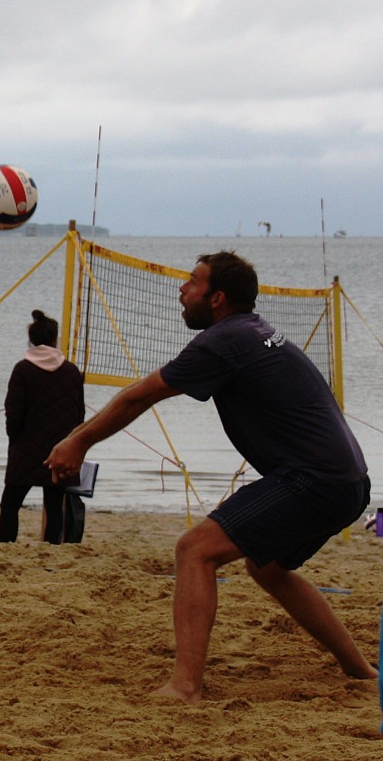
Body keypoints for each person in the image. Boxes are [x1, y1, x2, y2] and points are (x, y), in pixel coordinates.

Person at [46, 250, 376, 702]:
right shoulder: (252, 331)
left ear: (217, 298)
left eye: (192, 282)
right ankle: (360, 670)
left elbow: (138, 397)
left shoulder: (222, 342)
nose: (181, 289)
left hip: (314, 481)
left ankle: (185, 686)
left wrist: (78, 442)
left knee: (195, 550)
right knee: (268, 569)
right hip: (351, 482)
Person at [0, 309, 84, 544]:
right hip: (60, 448)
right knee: (54, 504)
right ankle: (51, 547)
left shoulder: (22, 369)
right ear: (55, 339)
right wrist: (74, 444)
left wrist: (14, 439)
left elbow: (13, 411)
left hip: (25, 447)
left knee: (11, 502)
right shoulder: (71, 371)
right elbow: (79, 414)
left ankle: (5, 545)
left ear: (32, 340)